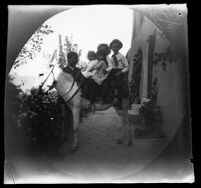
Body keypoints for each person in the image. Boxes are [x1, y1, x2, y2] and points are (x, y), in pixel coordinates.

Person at [109, 39, 129, 109]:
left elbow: (127, 67)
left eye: (117, 47)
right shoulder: (111, 57)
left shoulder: (121, 56)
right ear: (111, 48)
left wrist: (120, 72)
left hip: (119, 72)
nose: (115, 48)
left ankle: (119, 103)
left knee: (119, 86)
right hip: (112, 72)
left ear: (119, 47)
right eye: (113, 47)